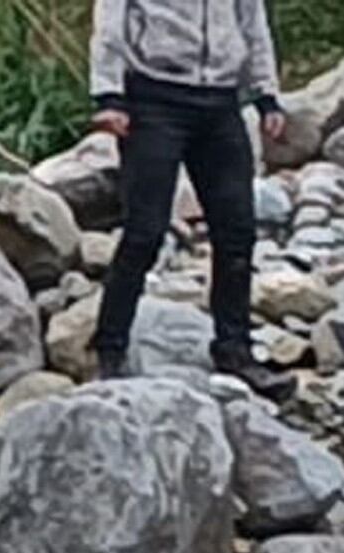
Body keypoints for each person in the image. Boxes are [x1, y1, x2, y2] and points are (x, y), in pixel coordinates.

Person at [88, 0, 292, 397]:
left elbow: (253, 21)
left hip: (221, 102)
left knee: (237, 232)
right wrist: (108, 94)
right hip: (153, 99)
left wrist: (266, 93)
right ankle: (110, 349)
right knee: (144, 232)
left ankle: (234, 348)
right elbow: (110, 20)